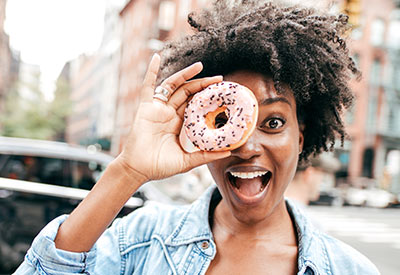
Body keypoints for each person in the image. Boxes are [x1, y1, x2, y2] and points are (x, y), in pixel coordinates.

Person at [15, 1, 380, 274]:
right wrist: (127, 171)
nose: (247, 147)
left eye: (272, 123)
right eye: (226, 120)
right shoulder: (140, 242)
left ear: (301, 138)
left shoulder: (350, 269)